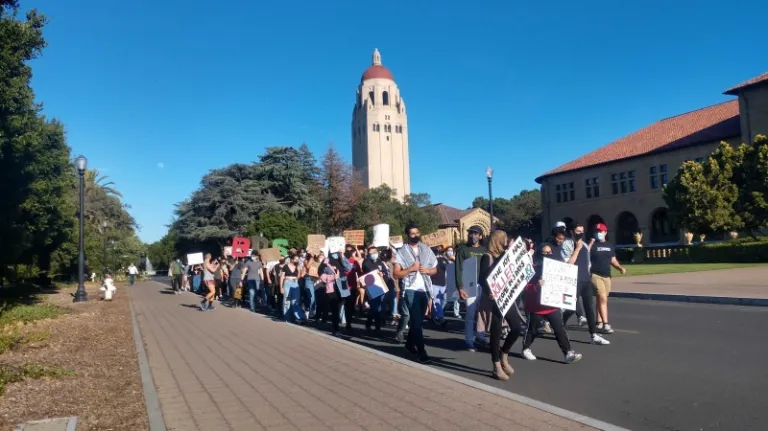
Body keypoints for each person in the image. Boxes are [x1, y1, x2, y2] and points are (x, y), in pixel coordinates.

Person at [521, 243, 583, 363]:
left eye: (550, 252)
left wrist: (568, 296)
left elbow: (563, 284)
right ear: (540, 254)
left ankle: (568, 352)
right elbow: (525, 288)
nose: (549, 255)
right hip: (535, 307)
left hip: (551, 305)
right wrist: (536, 285)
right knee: (532, 330)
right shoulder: (531, 268)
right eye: (546, 253)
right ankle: (526, 348)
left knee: (559, 329)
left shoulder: (557, 268)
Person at [478, 231, 525, 380]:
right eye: (504, 239)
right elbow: (482, 279)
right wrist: (489, 292)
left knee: (516, 328)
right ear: (497, 240)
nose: (506, 241)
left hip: (506, 298)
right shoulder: (488, 257)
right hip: (493, 300)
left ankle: (504, 353)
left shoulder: (506, 255)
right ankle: (496, 365)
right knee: (496, 332)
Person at [393, 224, 437, 364]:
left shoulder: (426, 249)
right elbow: (396, 273)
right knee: (417, 321)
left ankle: (409, 344)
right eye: (412, 233)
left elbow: (435, 269)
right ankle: (422, 352)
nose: (415, 235)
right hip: (410, 289)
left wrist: (429, 271)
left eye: (417, 232)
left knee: (418, 321)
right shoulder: (402, 252)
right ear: (407, 235)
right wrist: (410, 269)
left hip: (424, 289)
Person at [562, 223, 609, 345]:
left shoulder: (584, 245)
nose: (581, 233)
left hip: (585, 280)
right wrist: (576, 249)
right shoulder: (567, 244)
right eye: (578, 231)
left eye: (582, 231)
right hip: (573, 281)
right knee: (571, 308)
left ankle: (593, 335)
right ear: (572, 232)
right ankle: (560, 325)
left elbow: (587, 262)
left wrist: (588, 274)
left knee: (589, 308)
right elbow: (568, 263)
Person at [454, 225, 488, 351]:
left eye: (475, 233)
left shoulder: (485, 250)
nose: (473, 235)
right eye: (471, 233)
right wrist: (460, 287)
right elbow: (458, 269)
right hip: (469, 285)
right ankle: (469, 340)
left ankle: (480, 335)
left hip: (483, 285)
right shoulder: (463, 250)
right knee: (470, 313)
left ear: (480, 236)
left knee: (482, 313)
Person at [590, 222, 626, 334]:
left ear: (605, 232)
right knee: (602, 298)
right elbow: (585, 256)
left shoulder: (609, 246)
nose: (598, 233)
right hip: (595, 275)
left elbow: (613, 260)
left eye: (600, 231)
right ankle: (606, 324)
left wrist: (619, 268)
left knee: (600, 299)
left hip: (607, 276)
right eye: (596, 231)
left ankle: (598, 322)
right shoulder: (592, 245)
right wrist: (590, 244)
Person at [362, 245, 387, 334]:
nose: (373, 254)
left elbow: (385, 273)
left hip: (381, 286)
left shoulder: (380, 262)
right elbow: (368, 271)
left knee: (378, 307)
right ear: (368, 254)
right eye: (371, 253)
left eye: (375, 252)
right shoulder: (366, 262)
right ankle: (377, 327)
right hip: (371, 287)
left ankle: (370, 323)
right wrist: (377, 273)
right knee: (376, 308)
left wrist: (382, 274)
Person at [280, 254, 306, 323]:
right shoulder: (285, 266)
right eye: (295, 259)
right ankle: (287, 318)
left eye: (298, 259)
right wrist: (281, 287)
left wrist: (299, 271)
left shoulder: (298, 267)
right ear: (291, 259)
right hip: (287, 283)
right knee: (286, 301)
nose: (297, 261)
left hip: (295, 283)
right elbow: (282, 277)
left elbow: (298, 277)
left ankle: (300, 317)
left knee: (295, 301)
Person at [429, 245, 449, 326]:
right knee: (437, 301)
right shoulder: (431, 260)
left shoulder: (444, 260)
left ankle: (434, 316)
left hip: (442, 283)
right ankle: (440, 317)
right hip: (434, 283)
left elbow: (448, 272)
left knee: (440, 301)